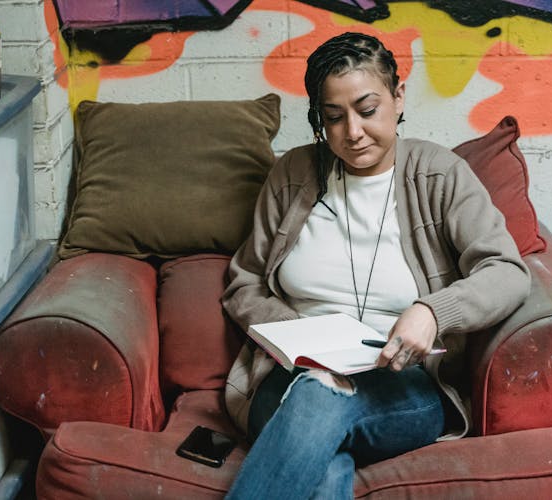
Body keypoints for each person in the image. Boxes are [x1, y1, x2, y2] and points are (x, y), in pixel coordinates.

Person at [222, 32, 531, 499]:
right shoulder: (293, 175)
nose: (353, 132)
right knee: (323, 444)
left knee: (319, 401)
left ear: (398, 96)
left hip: (401, 387)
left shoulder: (438, 174)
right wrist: (298, 340)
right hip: (290, 380)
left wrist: (432, 312)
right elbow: (244, 284)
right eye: (333, 117)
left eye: (367, 110)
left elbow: (508, 272)